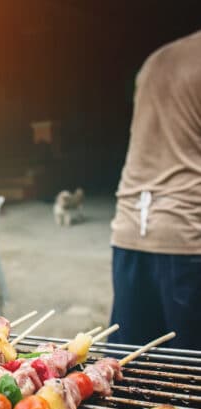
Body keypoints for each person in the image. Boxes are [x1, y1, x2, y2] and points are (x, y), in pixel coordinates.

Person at [109, 31, 201, 349]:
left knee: (131, 366)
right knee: (188, 377)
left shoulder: (155, 60)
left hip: (130, 232)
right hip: (186, 235)